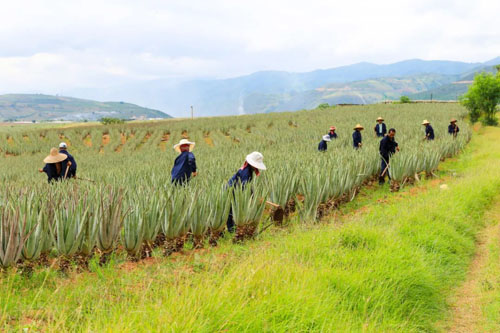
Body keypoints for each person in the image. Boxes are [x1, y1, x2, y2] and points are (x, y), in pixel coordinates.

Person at [226, 152, 266, 232]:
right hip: (232, 191)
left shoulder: (248, 169)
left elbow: (248, 185)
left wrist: (254, 195)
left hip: (235, 190)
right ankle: (231, 230)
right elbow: (244, 186)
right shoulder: (246, 172)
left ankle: (232, 229)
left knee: (232, 210)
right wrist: (252, 196)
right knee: (231, 210)